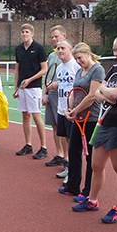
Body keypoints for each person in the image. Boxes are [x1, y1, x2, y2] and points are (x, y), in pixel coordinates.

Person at [70, 34, 117, 221]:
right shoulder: (115, 68)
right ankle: (92, 199)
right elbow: (100, 94)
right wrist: (110, 95)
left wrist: (110, 94)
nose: (115, 53)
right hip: (104, 121)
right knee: (96, 165)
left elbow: (114, 94)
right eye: (114, 50)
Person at [58, 42, 104, 202]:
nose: (78, 61)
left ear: (88, 53)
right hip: (77, 119)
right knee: (73, 152)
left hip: (91, 119)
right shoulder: (79, 71)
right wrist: (69, 109)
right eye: (76, 59)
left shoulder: (97, 69)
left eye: (80, 58)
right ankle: (72, 186)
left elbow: (92, 96)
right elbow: (73, 92)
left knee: (90, 156)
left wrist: (76, 110)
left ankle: (87, 191)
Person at [47, 39, 81, 183]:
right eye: (58, 48)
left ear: (70, 50)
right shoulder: (59, 68)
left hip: (72, 110)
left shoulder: (76, 66)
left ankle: (73, 172)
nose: (60, 50)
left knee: (74, 143)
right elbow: (61, 84)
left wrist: (73, 107)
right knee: (66, 140)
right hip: (61, 109)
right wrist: (54, 85)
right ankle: (67, 166)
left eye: (63, 48)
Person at [13, 23, 49, 160]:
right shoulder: (18, 49)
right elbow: (17, 69)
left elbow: (44, 69)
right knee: (25, 115)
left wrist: (29, 80)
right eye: (22, 32)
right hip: (22, 88)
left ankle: (43, 147)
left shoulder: (38, 48)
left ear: (32, 34)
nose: (24, 34)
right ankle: (28, 145)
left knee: (36, 115)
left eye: (27, 32)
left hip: (34, 87)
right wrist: (16, 87)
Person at [43, 25, 70, 169]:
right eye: (52, 37)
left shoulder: (69, 55)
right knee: (55, 126)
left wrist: (57, 85)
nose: (54, 39)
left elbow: (70, 79)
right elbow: (47, 76)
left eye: (57, 36)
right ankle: (59, 154)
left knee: (64, 128)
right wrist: (44, 93)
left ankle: (67, 158)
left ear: (64, 36)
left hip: (63, 96)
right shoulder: (52, 56)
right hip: (51, 94)